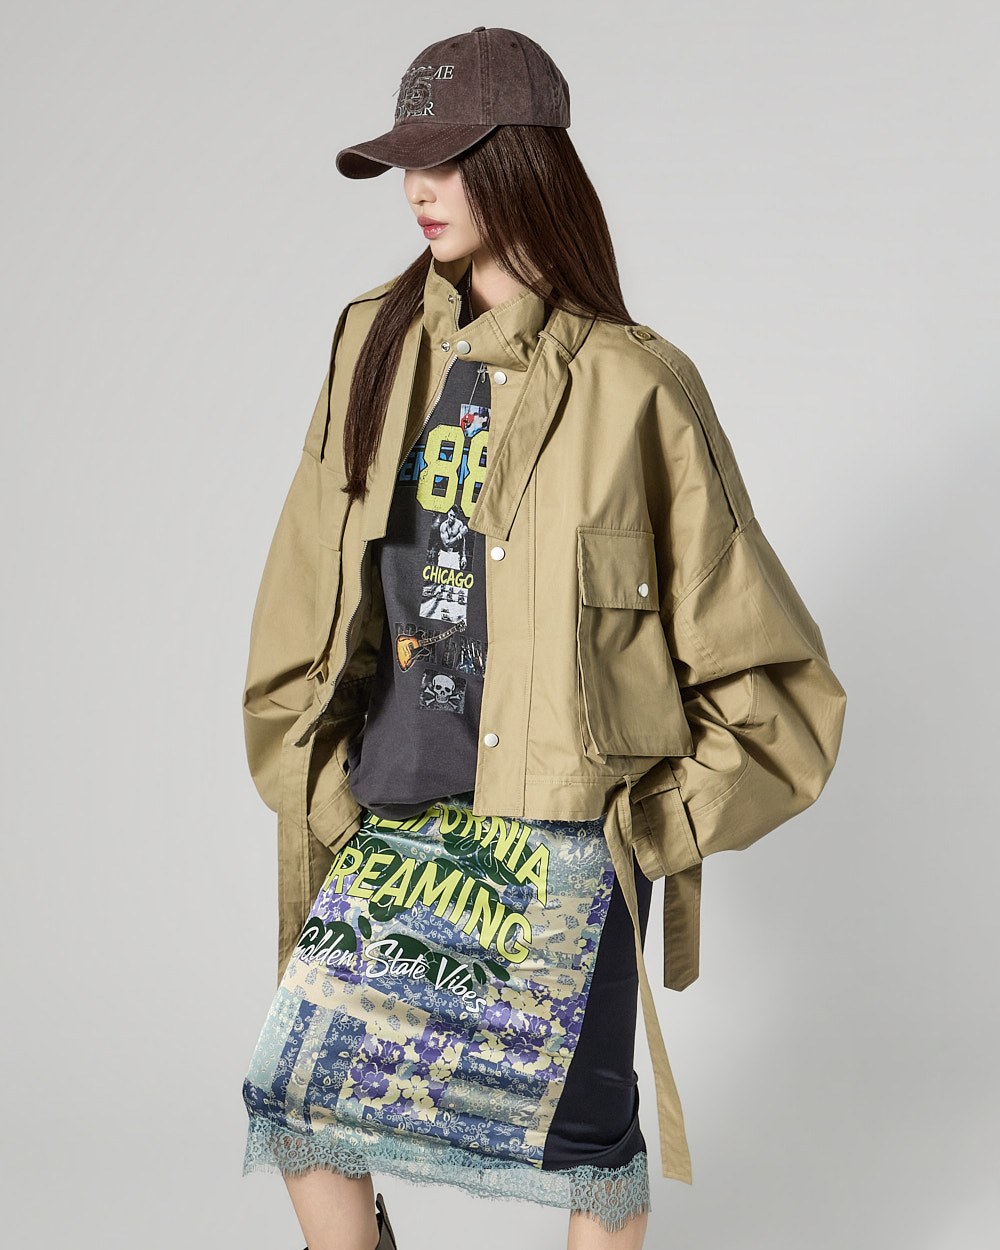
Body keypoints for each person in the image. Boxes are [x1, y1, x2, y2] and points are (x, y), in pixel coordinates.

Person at [239, 25, 848, 1250]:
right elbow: (305, 588)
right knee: (302, 1103)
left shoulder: (637, 385)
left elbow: (772, 679)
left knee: (586, 1144)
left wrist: (645, 828)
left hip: (563, 836)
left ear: (522, 164)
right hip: (392, 807)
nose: (418, 190)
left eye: (448, 162)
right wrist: (313, 771)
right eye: (406, 164)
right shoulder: (371, 342)